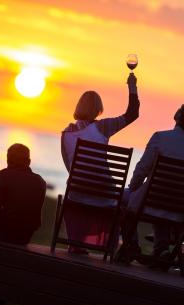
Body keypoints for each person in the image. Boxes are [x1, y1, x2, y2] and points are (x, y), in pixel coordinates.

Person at [60, 73, 140, 253]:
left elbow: (70, 168)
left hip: (77, 193)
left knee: (91, 193)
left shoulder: (66, 133)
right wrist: (132, 86)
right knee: (130, 198)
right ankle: (128, 245)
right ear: (98, 109)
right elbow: (132, 114)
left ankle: (77, 244)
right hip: (104, 195)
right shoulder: (103, 127)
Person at [123, 100, 184, 259]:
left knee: (122, 200)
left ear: (179, 115)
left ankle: (131, 246)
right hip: (180, 208)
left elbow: (142, 170)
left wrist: (133, 188)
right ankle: (161, 250)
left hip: (151, 201)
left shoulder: (160, 138)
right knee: (164, 204)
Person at [0, 143, 47, 245]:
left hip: (3, 233)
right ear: (29, 162)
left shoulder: (4, 174)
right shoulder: (41, 181)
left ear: (8, 160)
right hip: (24, 238)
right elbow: (36, 223)